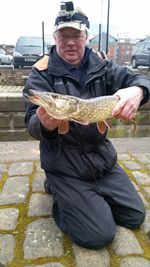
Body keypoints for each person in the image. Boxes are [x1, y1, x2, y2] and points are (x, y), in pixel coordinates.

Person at [23, 1, 150, 249]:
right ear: (55, 38)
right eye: (64, 36)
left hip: (101, 160)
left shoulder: (103, 66)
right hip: (64, 164)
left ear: (86, 37)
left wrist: (137, 90)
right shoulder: (41, 74)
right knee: (98, 235)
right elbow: (31, 124)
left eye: (76, 35)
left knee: (135, 216)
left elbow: (140, 78)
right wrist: (45, 123)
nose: (70, 42)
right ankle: (60, 192)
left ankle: (89, 198)